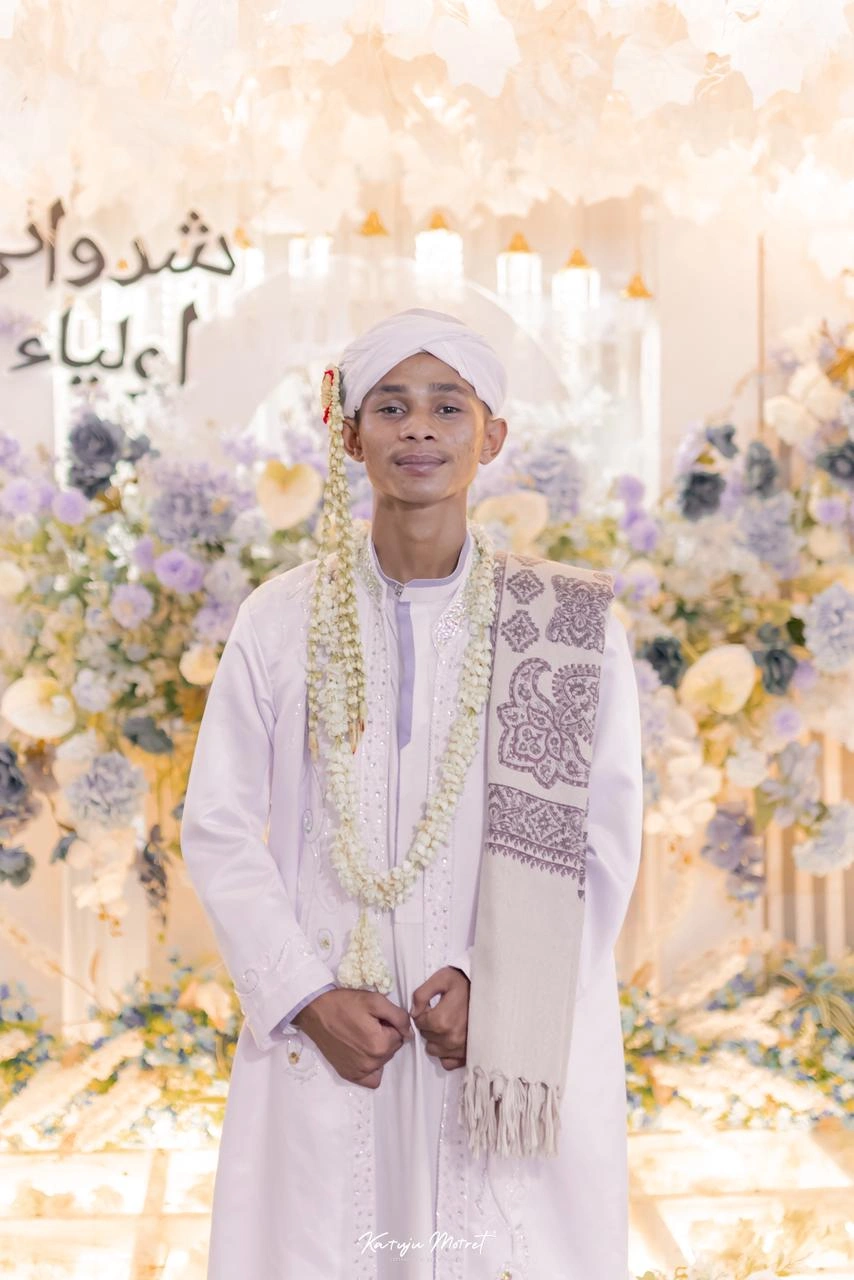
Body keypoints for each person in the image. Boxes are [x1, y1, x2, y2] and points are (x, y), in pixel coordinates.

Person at [180, 307, 644, 1280]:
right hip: (331, 1029)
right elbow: (218, 825)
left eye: (447, 406)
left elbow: (600, 839)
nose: (419, 429)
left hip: (492, 1035)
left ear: (492, 435)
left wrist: (496, 984)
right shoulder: (280, 619)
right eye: (390, 407)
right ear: (350, 436)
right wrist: (304, 995)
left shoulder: (563, 626)